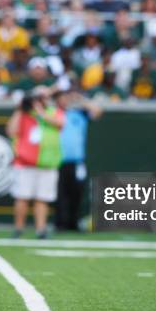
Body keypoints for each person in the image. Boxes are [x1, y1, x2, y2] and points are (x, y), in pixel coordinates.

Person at [6, 86, 65, 239]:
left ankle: (41, 230)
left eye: (43, 97)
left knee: (42, 199)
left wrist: (41, 112)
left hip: (47, 163)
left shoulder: (53, 111)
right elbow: (11, 131)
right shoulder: (24, 113)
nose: (41, 100)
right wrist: (20, 109)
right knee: (22, 197)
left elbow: (60, 123)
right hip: (25, 162)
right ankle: (18, 229)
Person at [54, 89, 102, 231]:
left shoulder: (80, 113)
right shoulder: (55, 113)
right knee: (59, 194)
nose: (66, 100)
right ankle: (60, 224)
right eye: (64, 97)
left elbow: (98, 111)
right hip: (58, 160)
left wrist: (80, 99)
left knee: (76, 193)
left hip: (76, 161)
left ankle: (73, 223)